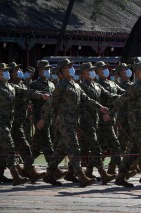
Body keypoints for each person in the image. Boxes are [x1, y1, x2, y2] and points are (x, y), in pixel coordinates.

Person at [38, 59, 110, 187]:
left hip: (73, 122)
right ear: (62, 70)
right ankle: (81, 176)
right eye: (68, 67)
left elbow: (86, 99)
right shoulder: (61, 85)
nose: (71, 69)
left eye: (72, 66)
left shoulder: (75, 85)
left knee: (61, 150)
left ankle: (49, 175)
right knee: (75, 148)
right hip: (64, 122)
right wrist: (44, 119)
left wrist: (100, 107)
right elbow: (51, 103)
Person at [0, 63, 49, 186]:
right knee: (9, 148)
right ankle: (16, 176)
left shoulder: (11, 86)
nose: (7, 73)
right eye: (4, 71)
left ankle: (30, 171)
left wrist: (40, 95)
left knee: (24, 147)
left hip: (11, 123)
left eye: (7, 71)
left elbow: (26, 92)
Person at [78, 62, 118, 185]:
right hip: (84, 121)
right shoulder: (81, 86)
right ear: (84, 73)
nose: (92, 72)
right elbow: (87, 100)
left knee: (87, 147)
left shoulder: (96, 85)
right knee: (95, 147)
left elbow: (109, 95)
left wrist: (125, 96)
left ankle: (77, 172)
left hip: (95, 120)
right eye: (90, 70)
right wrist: (100, 107)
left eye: (93, 70)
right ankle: (103, 173)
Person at [94, 61, 125, 175]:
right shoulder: (97, 85)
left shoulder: (112, 83)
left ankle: (89, 170)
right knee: (114, 144)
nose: (105, 70)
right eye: (102, 69)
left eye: (105, 68)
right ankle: (122, 171)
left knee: (101, 146)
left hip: (111, 119)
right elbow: (111, 96)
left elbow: (123, 92)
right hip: (102, 119)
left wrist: (131, 94)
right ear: (97, 71)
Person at [29, 60, 55, 164]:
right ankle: (54, 168)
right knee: (46, 141)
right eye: (46, 69)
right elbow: (29, 97)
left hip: (49, 116)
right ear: (40, 70)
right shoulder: (34, 84)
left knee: (36, 144)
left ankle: (27, 166)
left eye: (49, 69)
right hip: (39, 116)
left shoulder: (52, 84)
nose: (48, 71)